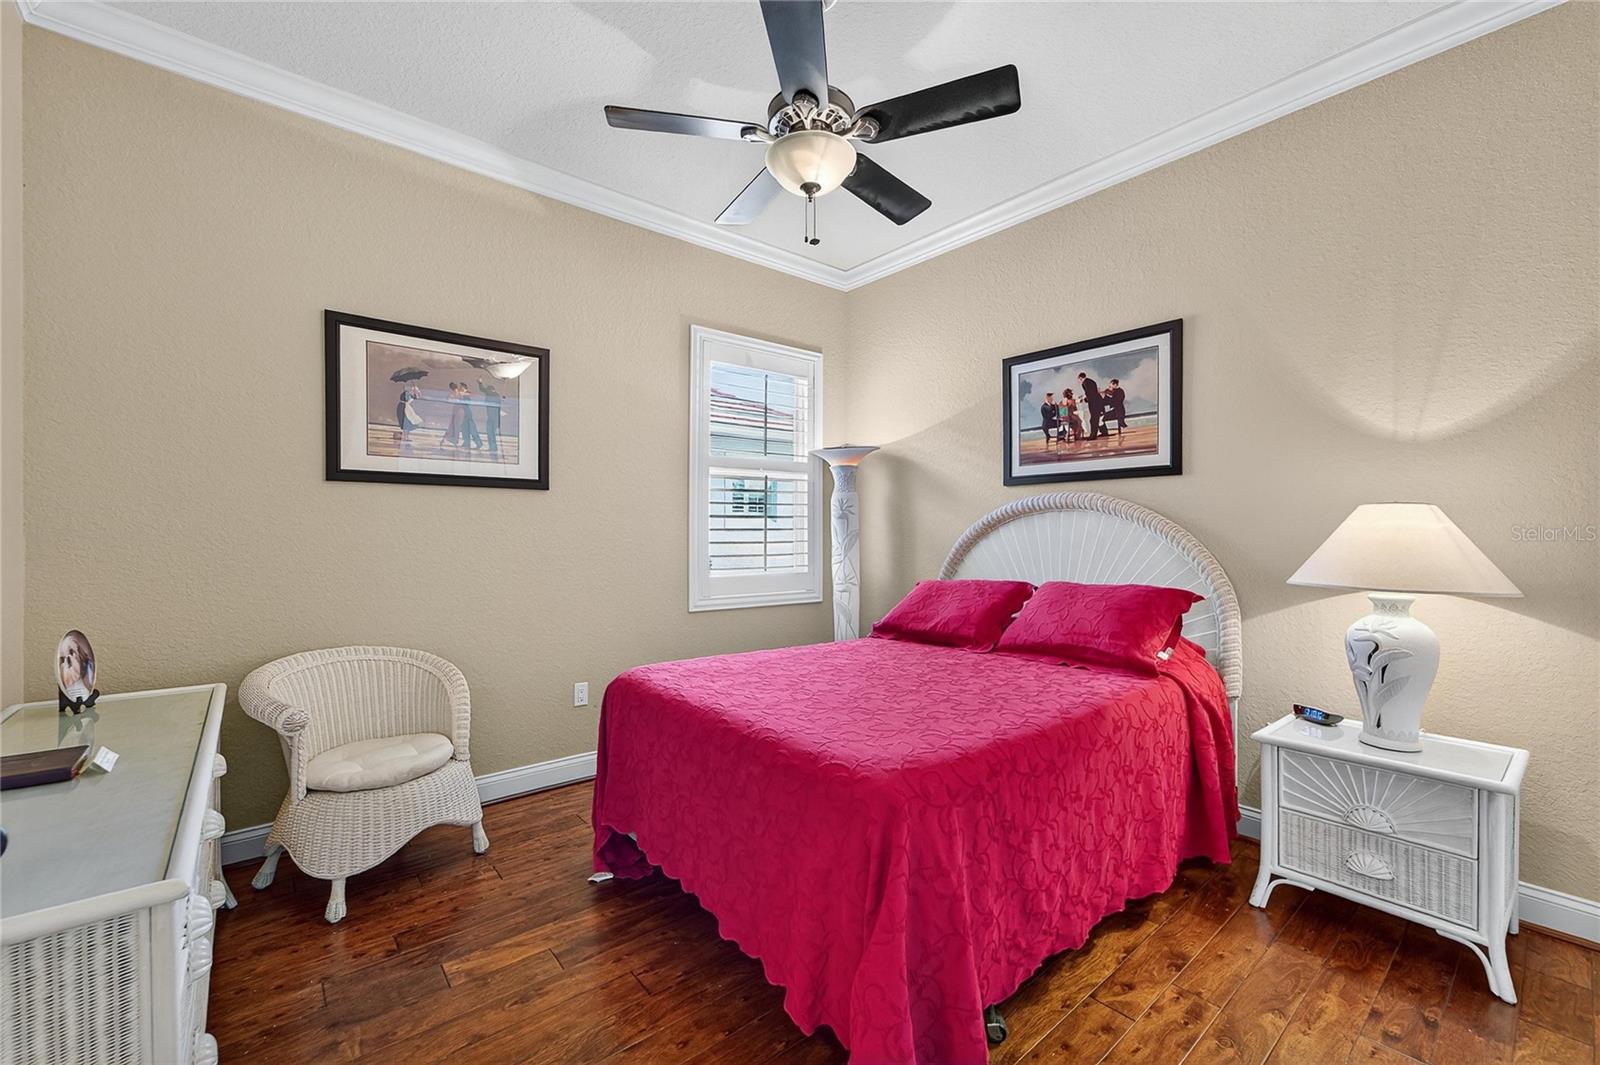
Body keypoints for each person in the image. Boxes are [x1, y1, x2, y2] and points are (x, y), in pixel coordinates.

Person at [1078, 372, 1105, 439]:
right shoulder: (1090, 381)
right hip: (1097, 402)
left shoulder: (1085, 383)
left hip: (1094, 403)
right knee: (1095, 419)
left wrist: (1085, 399)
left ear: (1080, 378)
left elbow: (1089, 393)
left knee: (1093, 420)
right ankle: (1100, 433)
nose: (1078, 381)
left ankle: (1093, 435)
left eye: (1078, 380)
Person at [457, 383, 484, 450]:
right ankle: (466, 442)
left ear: (464, 387)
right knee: (464, 429)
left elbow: (471, 395)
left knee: (472, 429)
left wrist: (463, 394)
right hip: (463, 413)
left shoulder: (467, 393)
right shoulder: (461, 394)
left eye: (461, 387)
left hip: (467, 413)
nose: (460, 388)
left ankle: (478, 443)